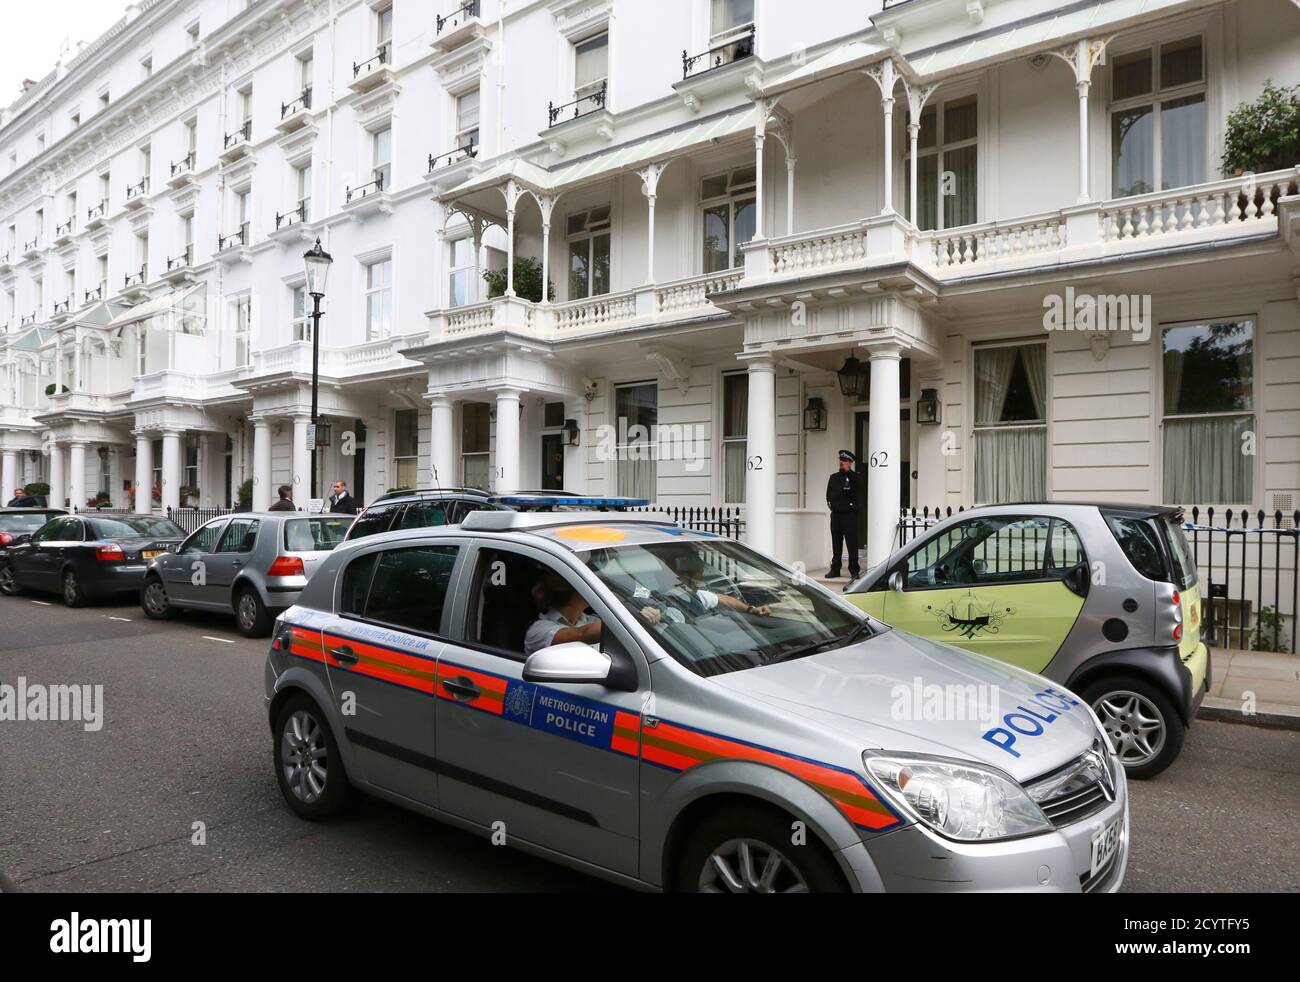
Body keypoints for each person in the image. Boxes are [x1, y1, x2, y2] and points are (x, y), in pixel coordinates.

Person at [640, 551, 772, 625]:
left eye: (697, 573)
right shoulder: (651, 599)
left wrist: (751, 609)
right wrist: (644, 616)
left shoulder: (695, 595)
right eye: (686, 573)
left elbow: (722, 599)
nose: (694, 579)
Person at [524, 570, 602, 655]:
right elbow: (582, 634)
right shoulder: (538, 630)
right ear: (577, 591)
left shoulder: (591, 620)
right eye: (588, 586)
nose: (594, 591)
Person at [826, 449, 860, 580]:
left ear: (850, 463)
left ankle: (854, 570)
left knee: (851, 543)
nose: (842, 462)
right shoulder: (833, 477)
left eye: (845, 460)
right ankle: (835, 569)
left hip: (849, 516)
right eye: (841, 460)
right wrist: (832, 505)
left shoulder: (854, 477)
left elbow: (857, 490)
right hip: (836, 515)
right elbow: (828, 495)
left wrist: (849, 473)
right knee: (836, 543)